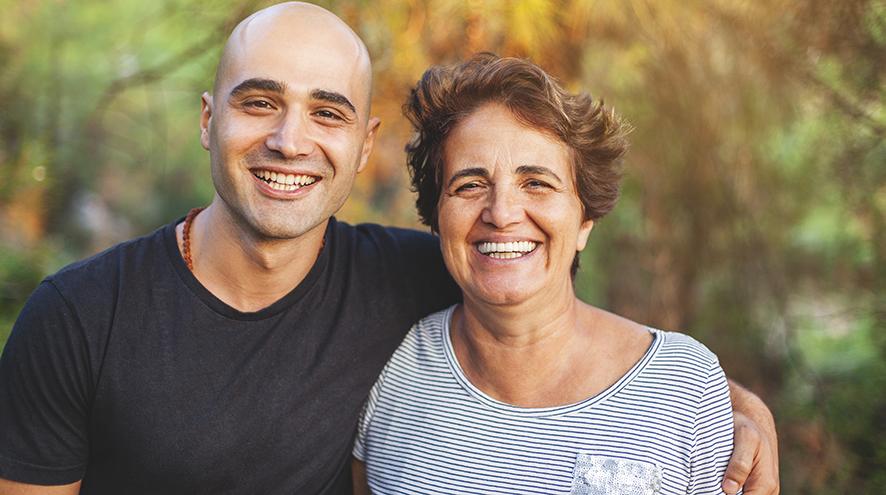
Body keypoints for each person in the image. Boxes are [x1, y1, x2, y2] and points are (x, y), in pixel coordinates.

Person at [0, 3, 776, 494]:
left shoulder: (407, 280)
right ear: (209, 120)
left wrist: (729, 404)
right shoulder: (79, 317)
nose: (288, 139)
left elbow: (561, 323)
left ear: (365, 144)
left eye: (327, 112)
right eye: (259, 101)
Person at [352, 54, 761, 494]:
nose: (502, 213)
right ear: (437, 216)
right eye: (469, 185)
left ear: (585, 220)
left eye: (537, 183)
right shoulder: (389, 371)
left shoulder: (684, 388)